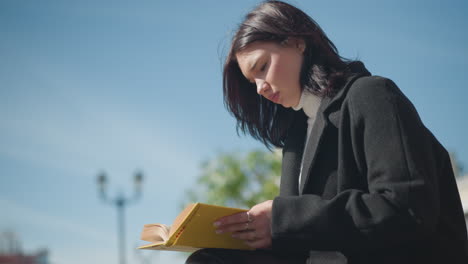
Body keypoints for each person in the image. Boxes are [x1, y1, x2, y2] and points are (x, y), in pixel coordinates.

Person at [186, 1, 468, 263]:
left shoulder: (371, 94)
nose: (260, 87)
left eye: (262, 67)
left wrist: (284, 218)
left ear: (297, 42)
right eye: (252, 82)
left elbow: (407, 210)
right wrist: (242, 238)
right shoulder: (296, 138)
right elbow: (301, 249)